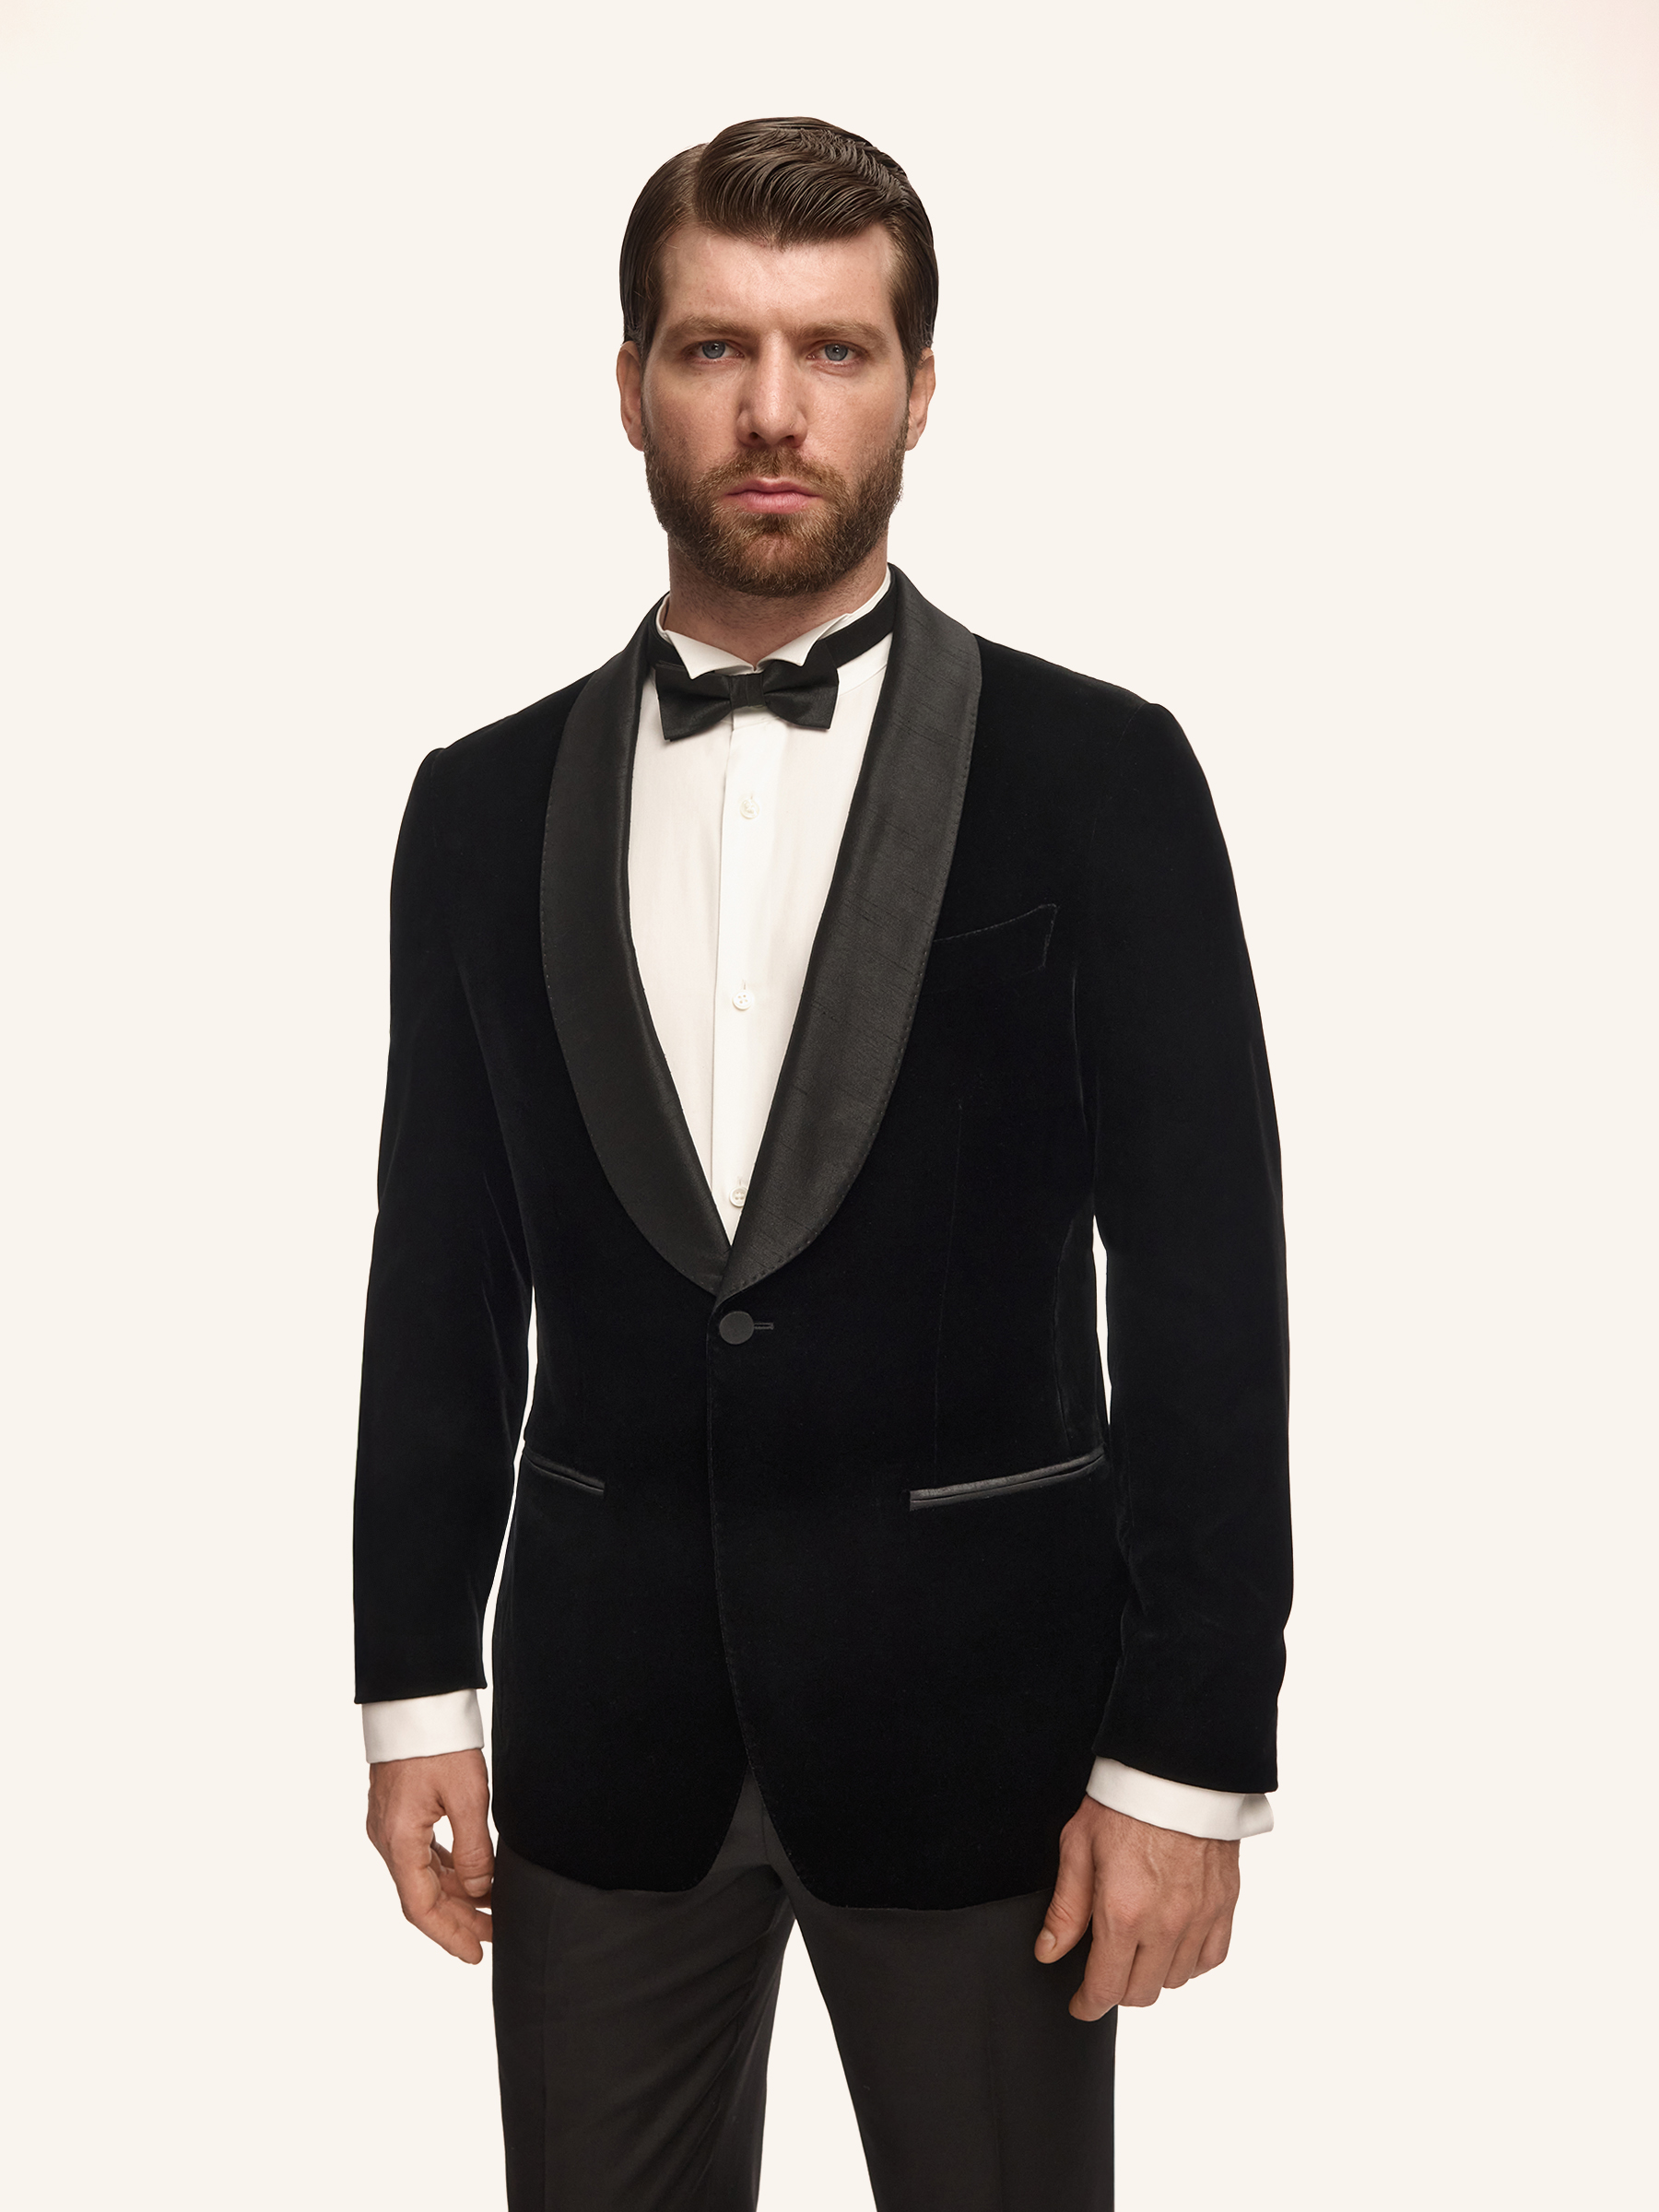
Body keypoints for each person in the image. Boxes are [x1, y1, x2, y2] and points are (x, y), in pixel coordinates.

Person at [353, 115, 1291, 2212]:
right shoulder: (476, 810)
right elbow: (440, 1280)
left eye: (835, 350)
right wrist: (413, 1687)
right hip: (606, 1739)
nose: (774, 411)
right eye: (715, 348)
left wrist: (1189, 1751)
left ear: (919, 388)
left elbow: (1212, 1291)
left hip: (994, 1743)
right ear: (631, 386)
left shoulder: (1103, 779)